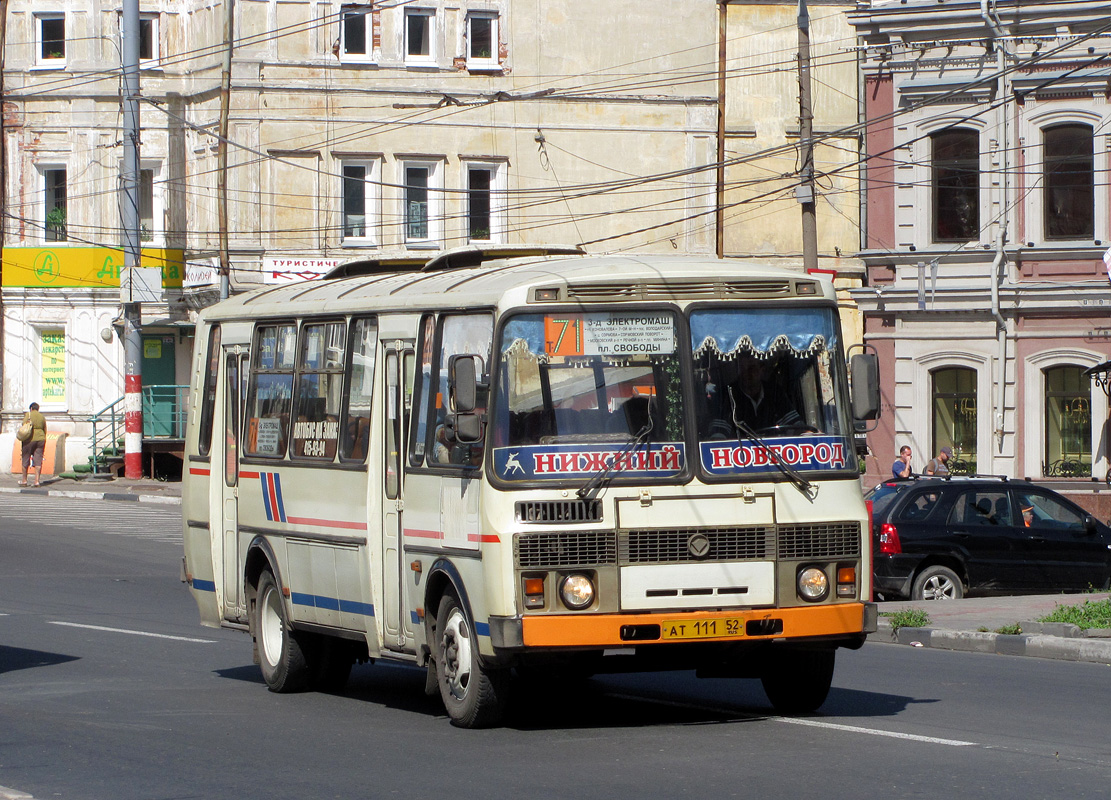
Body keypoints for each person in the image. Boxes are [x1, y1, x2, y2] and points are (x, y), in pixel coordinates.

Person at [20, 402, 48, 487]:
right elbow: (45, 428)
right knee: (38, 459)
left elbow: (23, 425)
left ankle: (24, 481)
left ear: (31, 408)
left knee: (25, 458)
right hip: (41, 439)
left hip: (29, 439)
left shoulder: (28, 415)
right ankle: (37, 481)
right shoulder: (42, 417)